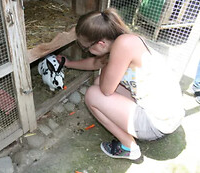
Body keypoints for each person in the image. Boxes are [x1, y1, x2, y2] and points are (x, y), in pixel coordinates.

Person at [57, 8, 185, 160]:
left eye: (86, 48)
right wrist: (69, 63)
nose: (88, 52)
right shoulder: (126, 39)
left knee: (93, 95)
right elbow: (95, 63)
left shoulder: (122, 46)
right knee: (98, 82)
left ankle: (128, 147)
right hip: (170, 114)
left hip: (158, 124)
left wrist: (105, 66)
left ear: (101, 43)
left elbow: (106, 90)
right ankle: (131, 130)